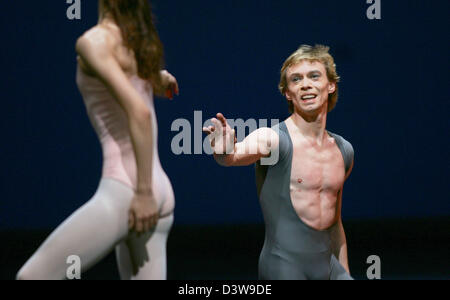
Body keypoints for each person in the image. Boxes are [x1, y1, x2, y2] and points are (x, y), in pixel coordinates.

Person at [16, 0, 178, 280]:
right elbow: (138, 85)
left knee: (31, 277)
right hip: (159, 190)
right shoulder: (134, 41)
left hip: (128, 191)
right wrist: (157, 78)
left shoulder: (92, 41)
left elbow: (139, 113)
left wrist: (142, 193)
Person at [203, 45, 354, 280]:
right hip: (284, 267)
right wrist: (225, 150)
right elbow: (233, 157)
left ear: (331, 85)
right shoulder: (273, 139)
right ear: (288, 93)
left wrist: (344, 273)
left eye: (314, 76)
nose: (305, 84)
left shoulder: (344, 151)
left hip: (329, 267)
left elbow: (335, 225)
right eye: (296, 79)